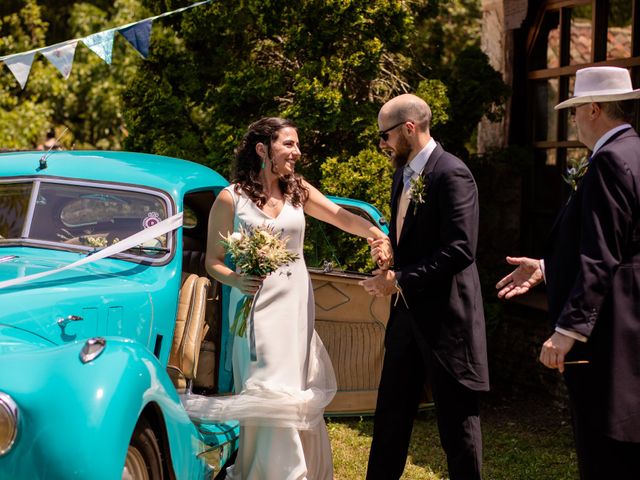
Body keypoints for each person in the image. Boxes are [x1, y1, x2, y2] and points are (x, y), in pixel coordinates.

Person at [183, 117, 390, 479]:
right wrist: (238, 278)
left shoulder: (299, 191)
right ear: (263, 149)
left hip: (295, 306)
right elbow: (214, 262)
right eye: (289, 144)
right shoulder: (230, 199)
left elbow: (342, 218)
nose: (297, 152)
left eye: (296, 144)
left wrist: (375, 234)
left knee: (293, 388)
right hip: (254, 308)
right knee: (268, 385)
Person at [496, 66, 640, 479]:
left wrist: (567, 330)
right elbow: (627, 245)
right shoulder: (634, 152)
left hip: (610, 336)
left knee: (605, 452)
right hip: (630, 330)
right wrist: (546, 267)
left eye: (576, 110)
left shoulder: (611, 161)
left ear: (594, 109)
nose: (573, 119)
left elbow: (602, 255)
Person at [360, 94, 489, 479]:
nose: (382, 144)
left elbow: (461, 249)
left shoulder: (452, 173)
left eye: (385, 136)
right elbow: (413, 240)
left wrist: (398, 278)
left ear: (409, 129)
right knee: (390, 417)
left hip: (447, 320)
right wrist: (388, 250)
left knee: (457, 425)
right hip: (407, 316)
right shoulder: (402, 174)